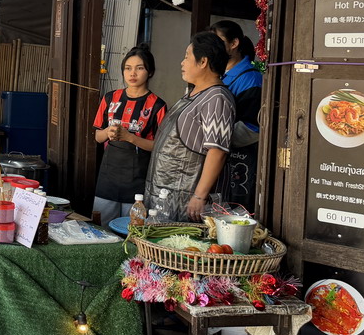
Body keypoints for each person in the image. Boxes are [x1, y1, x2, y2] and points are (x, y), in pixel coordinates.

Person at [145, 32, 235, 222]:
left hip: (189, 203)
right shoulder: (193, 94)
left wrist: (199, 196)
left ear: (203, 62)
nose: (182, 62)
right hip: (165, 197)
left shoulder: (217, 98)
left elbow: (217, 151)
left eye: (187, 56)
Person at [90, 43, 168, 225]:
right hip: (107, 178)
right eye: (128, 68)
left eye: (139, 68)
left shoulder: (157, 105)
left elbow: (160, 146)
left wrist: (129, 137)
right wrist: (108, 132)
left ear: (150, 72)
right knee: (101, 227)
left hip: (137, 180)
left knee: (131, 229)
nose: (132, 73)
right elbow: (97, 136)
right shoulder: (110, 98)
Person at [210, 20, 263, 210]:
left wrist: (212, 140)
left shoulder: (251, 78)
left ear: (234, 43)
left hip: (240, 160)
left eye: (219, 41)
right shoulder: (220, 74)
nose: (213, 48)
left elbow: (252, 127)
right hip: (220, 157)